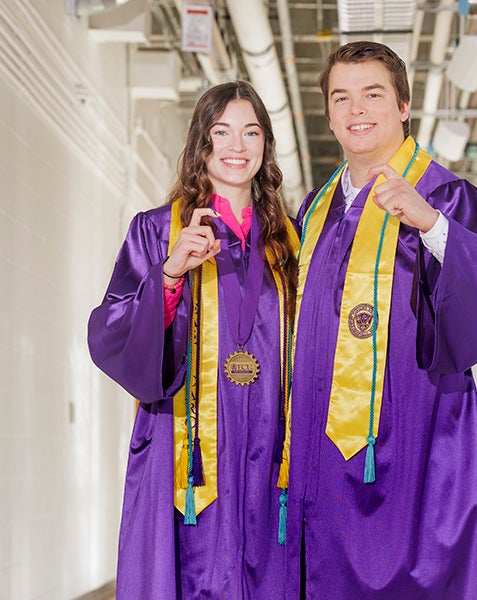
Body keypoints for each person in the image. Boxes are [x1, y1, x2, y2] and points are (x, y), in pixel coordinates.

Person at [283, 42, 477, 599]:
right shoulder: (312, 211)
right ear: (327, 114)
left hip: (417, 448)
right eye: (341, 97)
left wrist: (434, 227)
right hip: (317, 459)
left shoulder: (446, 195)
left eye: (373, 94)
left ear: (403, 105)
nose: (357, 111)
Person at [88, 81, 299, 600]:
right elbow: (109, 331)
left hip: (271, 447)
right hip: (186, 450)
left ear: (266, 146)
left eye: (251, 132)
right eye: (221, 131)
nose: (237, 145)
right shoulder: (156, 231)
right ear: (200, 143)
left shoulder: (289, 242)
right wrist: (169, 274)